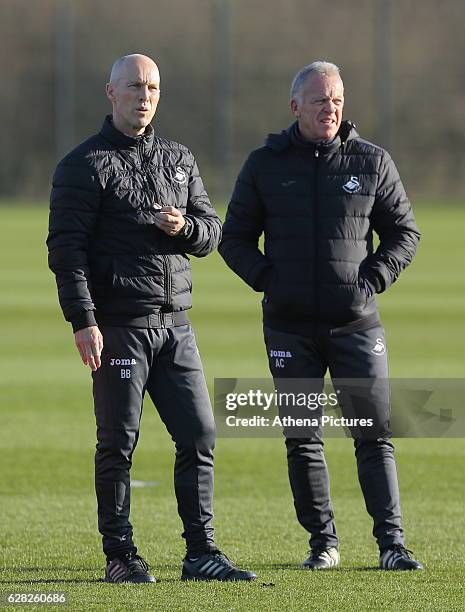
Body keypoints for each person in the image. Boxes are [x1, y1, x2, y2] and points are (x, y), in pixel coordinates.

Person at [47, 54, 255, 584]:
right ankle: (121, 555)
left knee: (200, 436)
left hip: (175, 328)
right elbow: (66, 251)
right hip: (117, 327)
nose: (145, 95)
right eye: (135, 86)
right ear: (110, 92)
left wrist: (185, 228)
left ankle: (200, 553)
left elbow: (212, 232)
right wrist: (83, 320)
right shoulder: (83, 165)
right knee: (118, 443)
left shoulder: (179, 159)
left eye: (153, 87)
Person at [219, 61, 423, 571]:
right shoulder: (265, 164)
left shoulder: (372, 161)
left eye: (336, 100)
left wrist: (371, 281)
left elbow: (405, 233)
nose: (329, 109)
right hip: (289, 328)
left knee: (373, 433)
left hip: (356, 326)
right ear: (295, 107)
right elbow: (234, 237)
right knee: (303, 438)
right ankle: (323, 544)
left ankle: (391, 546)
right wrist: (270, 281)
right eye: (319, 101)